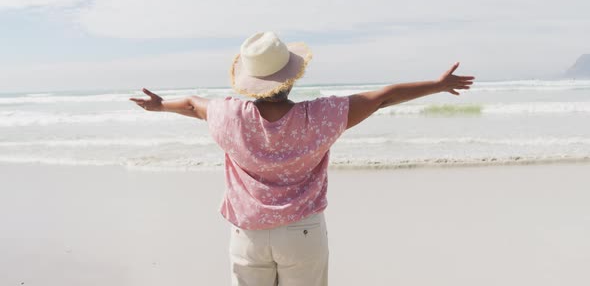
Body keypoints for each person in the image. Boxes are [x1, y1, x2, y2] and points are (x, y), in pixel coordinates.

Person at [130, 31, 474, 286]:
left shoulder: (228, 116)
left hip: (246, 232)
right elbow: (383, 97)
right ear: (290, 79)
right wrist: (437, 85)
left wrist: (160, 105)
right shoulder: (321, 116)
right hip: (302, 231)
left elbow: (192, 104)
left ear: (249, 83)